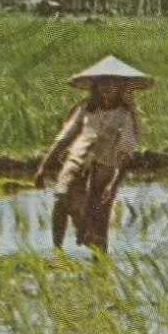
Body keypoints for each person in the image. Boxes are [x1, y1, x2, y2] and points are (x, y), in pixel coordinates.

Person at [33, 55, 151, 251]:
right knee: (61, 199)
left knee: (99, 216)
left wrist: (113, 185)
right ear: (95, 87)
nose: (106, 88)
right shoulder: (86, 109)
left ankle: (99, 262)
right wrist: (43, 167)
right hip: (77, 161)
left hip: (105, 167)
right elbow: (64, 138)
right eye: (102, 83)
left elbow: (125, 151)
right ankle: (58, 252)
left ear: (121, 87)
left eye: (113, 84)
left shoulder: (125, 115)